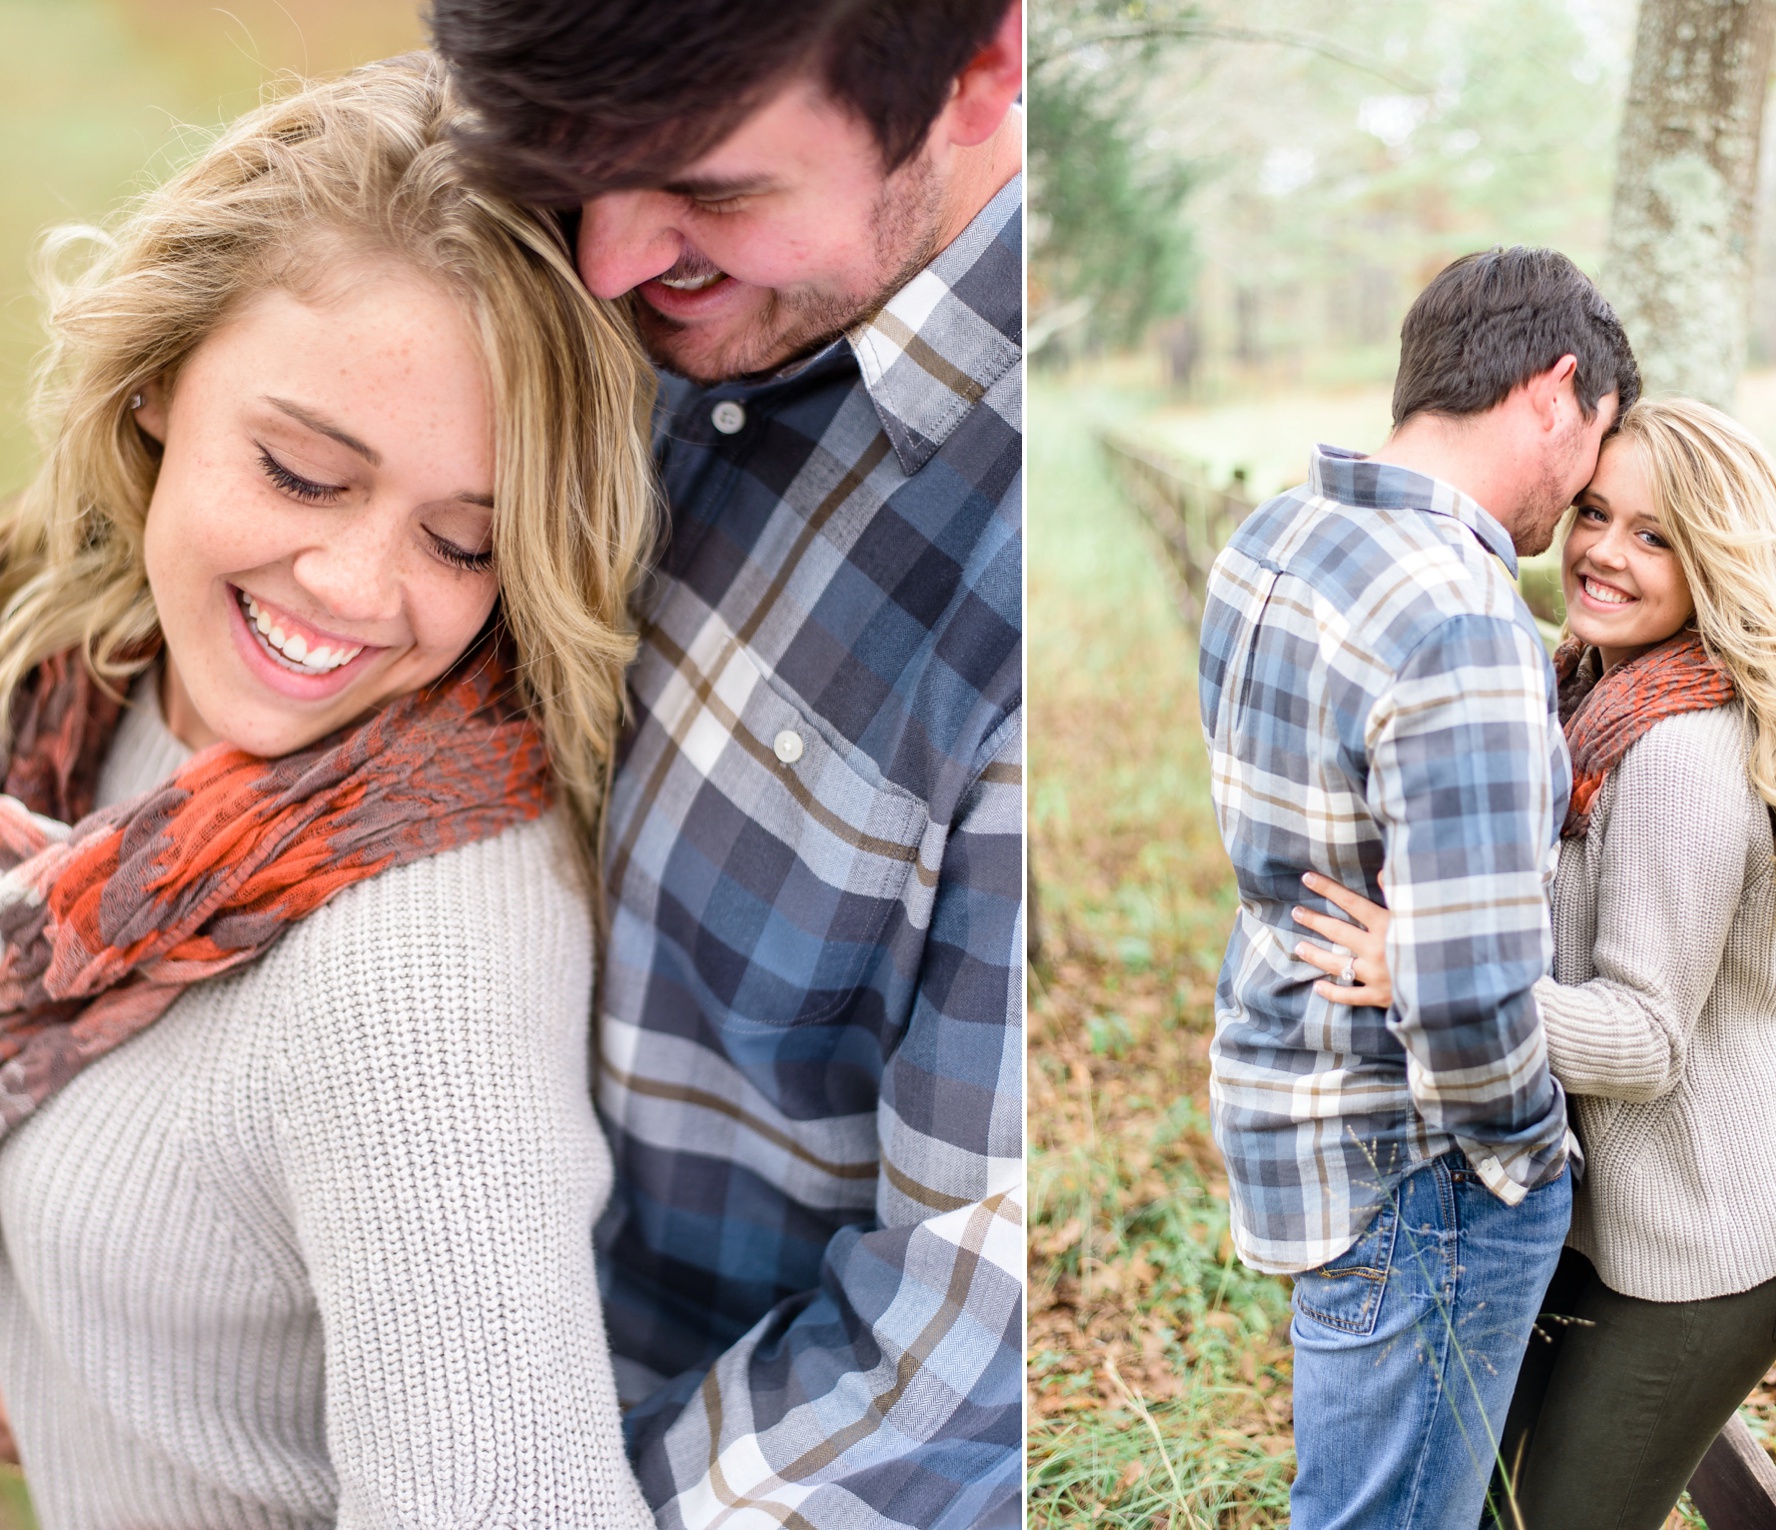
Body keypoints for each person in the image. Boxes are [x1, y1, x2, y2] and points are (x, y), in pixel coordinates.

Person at [0, 55, 659, 1526]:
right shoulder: (78, 676)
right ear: (161, 379)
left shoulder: (411, 979)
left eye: (466, 541)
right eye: (302, 473)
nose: (359, 591)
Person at [428, 5, 1026, 1524]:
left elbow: (957, 1353)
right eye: (564, 170)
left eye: (713, 188)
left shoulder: (1017, 592)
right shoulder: (553, 206)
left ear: (981, 70)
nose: (611, 262)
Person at [1298, 398, 1776, 1530]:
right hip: (1596, 1233)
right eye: (1595, 512)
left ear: (1714, 563)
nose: (1604, 550)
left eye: (1654, 535)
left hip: (1693, 1254)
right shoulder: (1584, 695)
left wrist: (1434, 974)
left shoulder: (1675, 754)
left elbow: (1644, 1042)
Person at [1197, 247, 1639, 1530]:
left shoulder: (1280, 534)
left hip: (1294, 1088)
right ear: (1554, 391)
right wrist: (1521, 1163)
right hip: (1424, 1161)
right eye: (1594, 438)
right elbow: (1465, 984)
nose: (1582, 496)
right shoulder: (1460, 615)